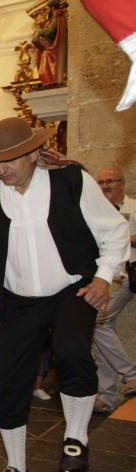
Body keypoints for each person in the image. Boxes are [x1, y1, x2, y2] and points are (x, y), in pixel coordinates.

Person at [0, 117, 129, 472]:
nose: (2, 168)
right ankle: (16, 467)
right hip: (18, 300)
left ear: (32, 154)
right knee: (9, 380)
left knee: (73, 351)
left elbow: (114, 231)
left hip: (71, 289)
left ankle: (75, 442)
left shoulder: (71, 181)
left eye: (10, 159)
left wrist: (104, 278)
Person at [91, 167, 136, 412]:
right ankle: (107, 396)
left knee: (96, 322)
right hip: (104, 275)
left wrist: (120, 238)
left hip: (125, 275)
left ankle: (131, 374)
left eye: (110, 181)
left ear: (122, 183)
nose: (105, 185)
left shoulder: (134, 207)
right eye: (101, 182)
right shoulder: (97, 210)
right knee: (101, 329)